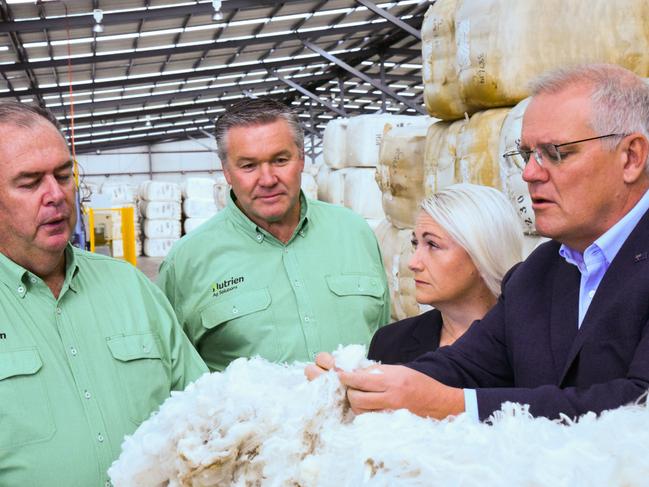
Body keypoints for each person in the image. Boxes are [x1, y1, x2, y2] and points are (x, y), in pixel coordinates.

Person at [307, 63, 649, 421]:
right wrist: (360, 380)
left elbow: (637, 401)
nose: (530, 173)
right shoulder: (539, 272)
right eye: (527, 154)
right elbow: (467, 365)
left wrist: (454, 405)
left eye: (556, 152)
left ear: (631, 157)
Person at [0, 101, 208, 485]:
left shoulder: (129, 286)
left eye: (63, 176)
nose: (57, 195)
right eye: (30, 182)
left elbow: (204, 406)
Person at [157, 97, 390, 372]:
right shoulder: (187, 262)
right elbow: (174, 373)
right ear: (227, 172)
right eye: (248, 166)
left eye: (280, 160)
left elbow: (386, 340)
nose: (267, 179)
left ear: (301, 159)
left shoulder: (354, 232)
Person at [368, 183, 523, 364]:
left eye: (433, 245)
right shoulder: (390, 343)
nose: (413, 263)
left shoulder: (530, 347)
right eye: (415, 243)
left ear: (484, 254)